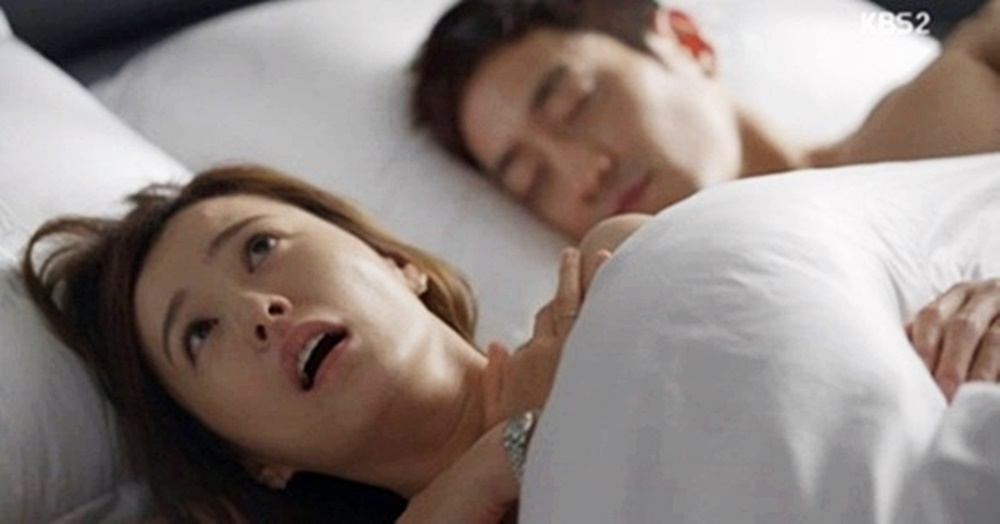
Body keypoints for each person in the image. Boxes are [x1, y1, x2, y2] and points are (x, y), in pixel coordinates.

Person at [19, 164, 998, 523]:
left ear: (394, 260)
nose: (258, 309)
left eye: (262, 248)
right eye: (199, 333)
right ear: (252, 460)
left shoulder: (619, 274)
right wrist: (514, 444)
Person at [411, 0, 1000, 239]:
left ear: (685, 40)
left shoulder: (955, 95)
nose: (583, 173)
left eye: (575, 102)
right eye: (531, 181)